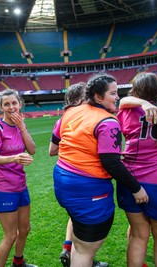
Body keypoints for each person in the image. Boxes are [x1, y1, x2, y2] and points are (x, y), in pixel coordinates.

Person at [53, 73, 148, 267]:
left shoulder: (71, 111)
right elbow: (111, 163)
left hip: (63, 181)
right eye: (113, 93)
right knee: (85, 249)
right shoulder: (108, 121)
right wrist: (137, 189)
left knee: (80, 245)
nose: (117, 97)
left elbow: (57, 143)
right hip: (88, 189)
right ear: (98, 96)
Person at [117, 72, 157, 267]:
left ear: (135, 91)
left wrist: (140, 102)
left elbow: (122, 104)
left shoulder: (127, 111)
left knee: (138, 236)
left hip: (131, 180)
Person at [49, 82, 108, 267]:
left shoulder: (65, 117)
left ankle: (69, 248)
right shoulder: (86, 117)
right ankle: (80, 257)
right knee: (86, 229)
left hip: (65, 179)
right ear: (81, 99)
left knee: (77, 218)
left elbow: (52, 150)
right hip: (85, 178)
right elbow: (52, 150)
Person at [0, 89, 37, 267]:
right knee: (11, 235)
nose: (11, 107)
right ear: (1, 107)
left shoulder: (21, 125)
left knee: (25, 229)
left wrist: (22, 127)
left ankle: (18, 262)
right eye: (7, 104)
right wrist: (14, 158)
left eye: (14, 103)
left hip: (21, 185)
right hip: (3, 188)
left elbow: (33, 149)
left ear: (19, 104)